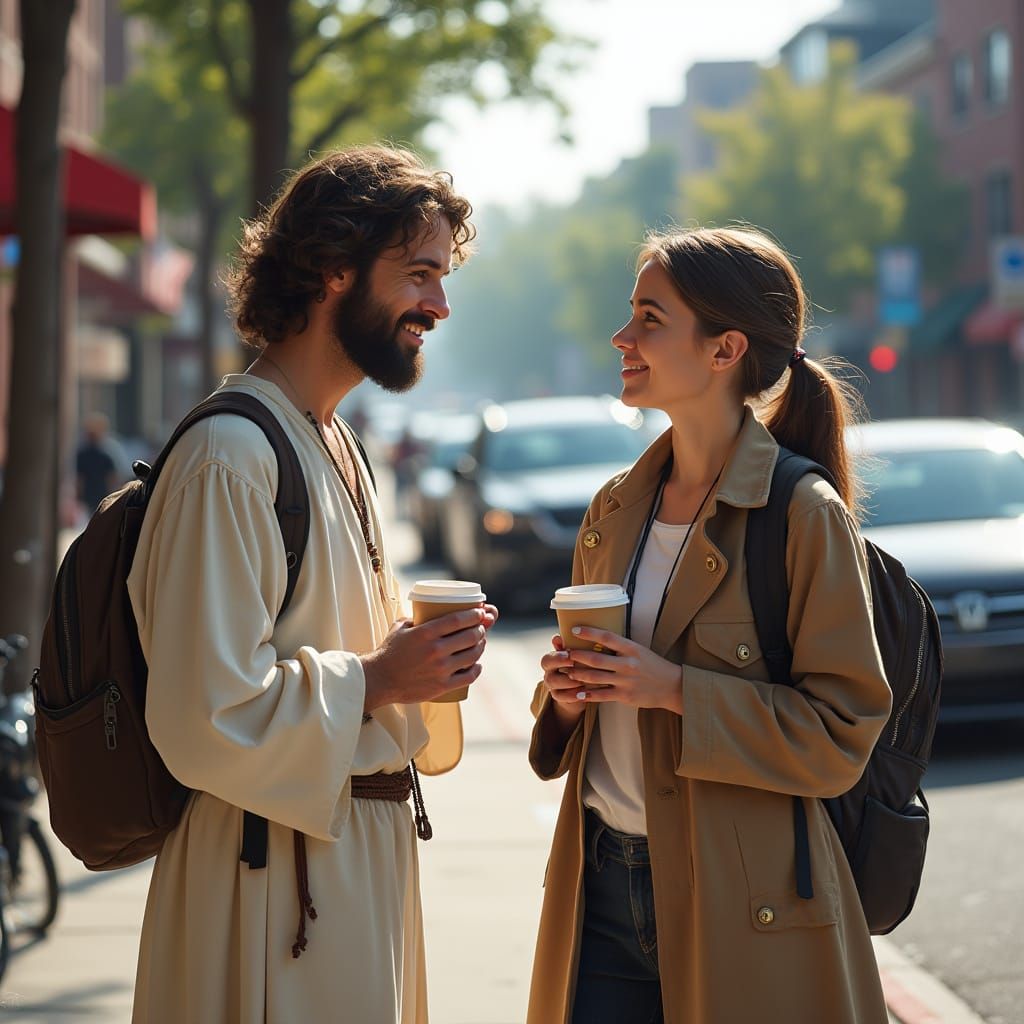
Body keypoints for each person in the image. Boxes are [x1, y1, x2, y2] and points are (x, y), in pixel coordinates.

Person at [126, 145, 497, 1024]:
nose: (439, 306)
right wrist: (381, 679)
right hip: (269, 882)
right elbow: (203, 712)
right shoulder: (230, 456)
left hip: (342, 866)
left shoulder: (335, 441)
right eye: (418, 275)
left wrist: (415, 666)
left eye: (442, 278)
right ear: (335, 268)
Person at [527, 227, 892, 1024]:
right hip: (598, 886)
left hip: (745, 903)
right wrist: (565, 697)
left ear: (725, 350)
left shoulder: (802, 513)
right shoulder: (613, 508)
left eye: (650, 319)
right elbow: (585, 712)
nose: (622, 337)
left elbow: (842, 734)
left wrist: (674, 690)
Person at [75, 412, 123, 513]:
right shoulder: (107, 453)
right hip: (99, 497)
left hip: (94, 496)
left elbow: (80, 480)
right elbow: (112, 479)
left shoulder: (84, 455)